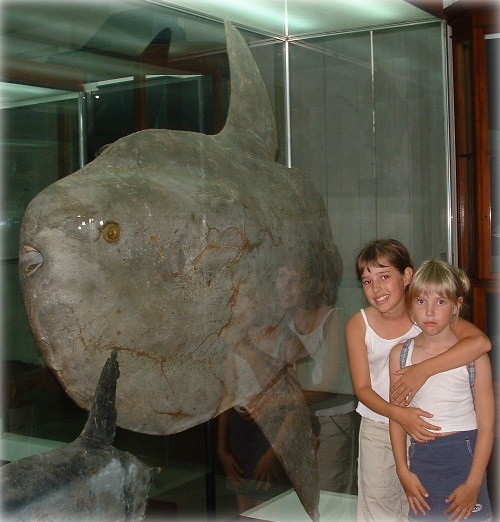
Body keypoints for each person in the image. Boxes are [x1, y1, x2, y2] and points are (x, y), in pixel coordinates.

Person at [346, 239, 491, 522]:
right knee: (380, 504)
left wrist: (423, 369)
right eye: (367, 281)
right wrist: (399, 414)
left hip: (433, 437)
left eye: (385, 277)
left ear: (407, 276)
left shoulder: (427, 314)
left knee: (421, 505)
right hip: (381, 423)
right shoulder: (359, 323)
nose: (376, 288)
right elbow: (362, 388)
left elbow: (480, 343)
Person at [389, 260, 494, 521]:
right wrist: (403, 471)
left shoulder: (475, 357)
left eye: (441, 302)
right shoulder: (400, 355)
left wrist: (474, 483)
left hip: (465, 458)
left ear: (457, 306)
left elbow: (488, 425)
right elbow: (397, 416)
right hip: (422, 461)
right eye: (421, 301)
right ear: (411, 306)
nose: (430, 312)